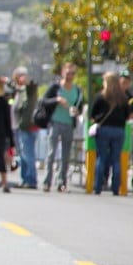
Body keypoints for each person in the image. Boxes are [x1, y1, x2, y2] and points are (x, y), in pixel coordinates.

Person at [41, 62, 83, 193]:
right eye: (68, 73)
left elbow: (80, 106)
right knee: (51, 152)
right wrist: (57, 100)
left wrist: (77, 111)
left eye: (72, 74)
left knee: (66, 154)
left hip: (69, 123)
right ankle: (47, 182)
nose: (70, 76)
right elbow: (43, 101)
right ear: (62, 73)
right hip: (55, 121)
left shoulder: (77, 90)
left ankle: (61, 182)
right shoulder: (56, 87)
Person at [89, 71, 130, 195]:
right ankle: (115, 187)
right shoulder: (123, 98)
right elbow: (127, 116)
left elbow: (92, 115)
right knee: (116, 159)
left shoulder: (101, 96)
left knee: (101, 157)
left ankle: (98, 186)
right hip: (119, 130)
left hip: (104, 129)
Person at [9, 67, 40, 189]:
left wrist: (21, 81)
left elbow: (28, 86)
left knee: (28, 154)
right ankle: (25, 179)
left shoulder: (29, 89)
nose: (20, 79)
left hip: (27, 127)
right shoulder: (19, 92)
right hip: (19, 127)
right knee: (23, 155)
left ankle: (31, 180)